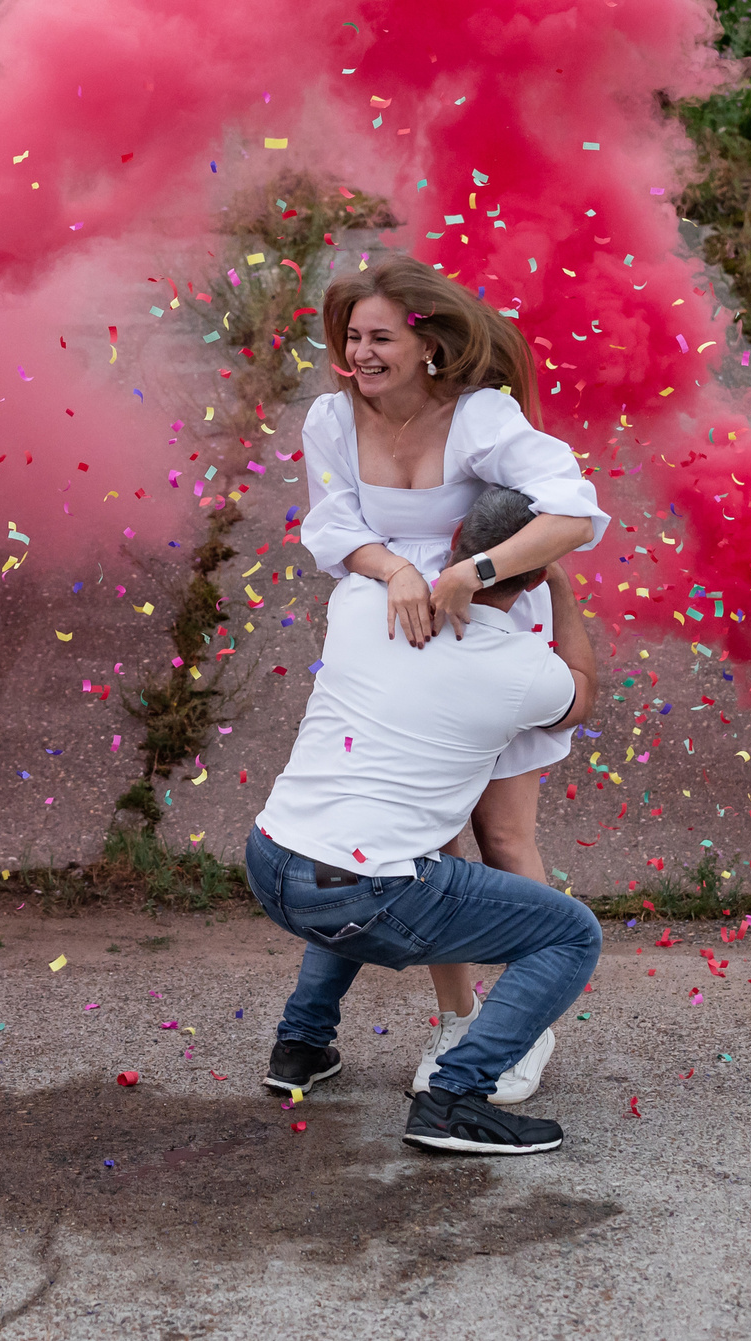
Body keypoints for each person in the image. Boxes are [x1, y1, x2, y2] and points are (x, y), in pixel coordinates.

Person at [298, 252, 607, 1100]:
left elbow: (573, 511)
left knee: (504, 835)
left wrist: (477, 568)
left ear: (428, 345)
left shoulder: (479, 416)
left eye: (381, 338)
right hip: (397, 629)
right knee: (425, 840)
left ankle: (525, 1023)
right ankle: (460, 1018)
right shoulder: (330, 420)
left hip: (491, 622)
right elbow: (330, 528)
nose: (361, 353)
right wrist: (395, 569)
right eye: (353, 337)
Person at [249, 486, 605, 1154]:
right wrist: (556, 578)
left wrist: (402, 568)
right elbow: (581, 687)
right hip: (366, 893)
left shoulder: (358, 603)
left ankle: (301, 1041)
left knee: (351, 857)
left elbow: (358, 551)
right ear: (528, 576)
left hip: (271, 859)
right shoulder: (525, 670)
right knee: (572, 934)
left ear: (455, 541)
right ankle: (455, 1097)